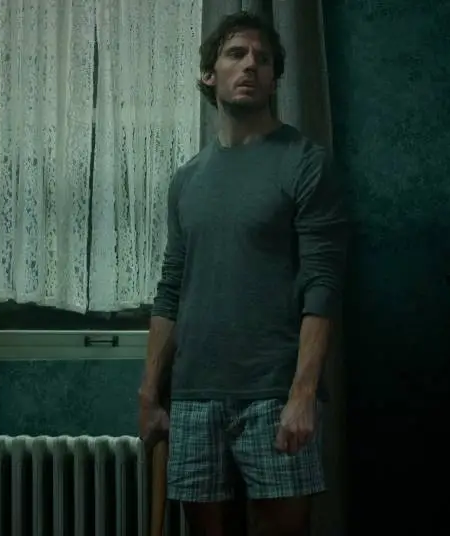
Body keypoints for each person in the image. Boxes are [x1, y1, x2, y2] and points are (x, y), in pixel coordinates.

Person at [138, 10, 350, 536]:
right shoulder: (187, 180)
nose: (251, 64)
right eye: (236, 54)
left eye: (264, 58)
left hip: (274, 395)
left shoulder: (305, 162)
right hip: (193, 396)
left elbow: (323, 286)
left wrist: (303, 395)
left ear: (275, 80)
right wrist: (149, 392)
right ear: (210, 75)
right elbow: (171, 290)